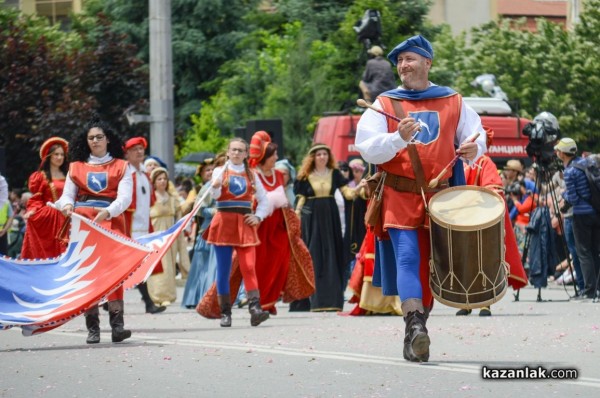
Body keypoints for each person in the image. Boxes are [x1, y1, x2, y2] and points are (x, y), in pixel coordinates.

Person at [355, 34, 486, 362]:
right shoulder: (385, 102)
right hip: (400, 193)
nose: (403, 66)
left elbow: (475, 133)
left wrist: (475, 148)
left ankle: (417, 329)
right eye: (399, 61)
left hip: (442, 198)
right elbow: (366, 146)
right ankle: (415, 327)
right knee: (408, 258)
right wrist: (397, 138)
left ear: (428, 62)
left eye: (409, 59)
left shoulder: (453, 100)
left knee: (435, 265)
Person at [55, 117, 133, 344]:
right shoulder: (76, 167)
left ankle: (118, 327)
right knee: (88, 272)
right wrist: (67, 205)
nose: (96, 141)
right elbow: (67, 196)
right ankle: (93, 329)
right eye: (91, 138)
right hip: (83, 222)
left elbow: (125, 198)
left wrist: (108, 212)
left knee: (114, 274)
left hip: (110, 221)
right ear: (86, 141)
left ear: (108, 139)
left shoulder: (122, 166)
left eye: (99, 137)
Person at [456, 126, 528, 316]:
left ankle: (485, 302)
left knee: (484, 262)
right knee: (465, 261)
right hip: (463, 221)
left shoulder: (485, 162)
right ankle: (466, 301)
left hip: (482, 221)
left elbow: (494, 188)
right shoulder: (460, 163)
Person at [204, 137, 271, 327]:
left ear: (246, 154)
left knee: (249, 266)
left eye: (240, 150)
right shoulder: (219, 171)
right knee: (224, 270)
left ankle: (255, 308)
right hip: (224, 222)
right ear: (227, 152)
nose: (236, 153)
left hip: (244, 223)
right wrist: (215, 188)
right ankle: (225, 313)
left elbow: (265, 201)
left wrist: (258, 217)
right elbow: (214, 195)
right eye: (233, 150)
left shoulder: (252, 174)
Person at [293, 143, 366, 312]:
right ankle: (314, 299)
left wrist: (359, 188)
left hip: (330, 216)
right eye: (318, 154)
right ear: (313, 157)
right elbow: (301, 200)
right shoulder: (305, 176)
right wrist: (296, 217)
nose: (322, 157)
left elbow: (347, 193)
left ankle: (332, 300)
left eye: (325, 154)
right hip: (311, 217)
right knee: (313, 253)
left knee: (332, 253)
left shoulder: (334, 174)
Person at [123, 136, 166, 314]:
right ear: (127, 153)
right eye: (135, 149)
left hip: (143, 227)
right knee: (130, 266)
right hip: (128, 227)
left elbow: (150, 201)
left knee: (139, 266)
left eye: (141, 149)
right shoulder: (124, 173)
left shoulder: (144, 175)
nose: (139, 152)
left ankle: (147, 301)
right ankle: (148, 302)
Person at [555, 138, 600, 300]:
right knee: (595, 251)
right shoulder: (586, 163)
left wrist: (563, 195)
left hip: (581, 215)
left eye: (558, 150)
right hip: (595, 212)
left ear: (562, 153)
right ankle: (597, 289)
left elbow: (573, 198)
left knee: (583, 252)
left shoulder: (570, 172)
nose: (556, 153)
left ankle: (588, 290)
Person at [182, 155, 223, 309]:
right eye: (207, 170)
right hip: (208, 229)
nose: (210, 172)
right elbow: (197, 209)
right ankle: (197, 297)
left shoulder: (221, 185)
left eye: (213, 169)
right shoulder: (205, 189)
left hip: (223, 228)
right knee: (203, 265)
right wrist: (213, 211)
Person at [20, 137, 69, 259]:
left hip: (69, 216)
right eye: (56, 154)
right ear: (49, 156)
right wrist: (32, 211)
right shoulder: (41, 177)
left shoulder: (70, 174)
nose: (59, 157)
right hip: (50, 220)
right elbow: (37, 199)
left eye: (62, 155)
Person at [147, 167, 183, 307]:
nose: (162, 181)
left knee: (169, 266)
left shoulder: (172, 198)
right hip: (155, 235)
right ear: (154, 182)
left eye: (164, 179)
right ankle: (155, 296)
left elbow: (179, 215)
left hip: (169, 236)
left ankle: (168, 295)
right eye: (159, 179)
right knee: (156, 265)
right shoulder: (150, 198)